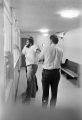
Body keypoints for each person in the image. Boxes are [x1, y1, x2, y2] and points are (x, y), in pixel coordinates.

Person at [38, 34, 63, 108]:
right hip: (56, 73)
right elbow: (60, 61)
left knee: (45, 93)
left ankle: (44, 111)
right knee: (54, 93)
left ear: (51, 40)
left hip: (47, 73)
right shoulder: (60, 50)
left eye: (49, 40)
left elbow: (40, 58)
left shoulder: (46, 48)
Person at [16, 36, 40, 103]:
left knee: (30, 81)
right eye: (26, 42)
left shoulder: (33, 46)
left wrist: (36, 50)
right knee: (32, 81)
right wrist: (18, 48)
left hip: (32, 65)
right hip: (29, 65)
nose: (26, 43)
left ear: (30, 42)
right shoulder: (26, 47)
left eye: (27, 42)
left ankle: (28, 98)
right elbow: (21, 54)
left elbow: (39, 51)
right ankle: (32, 94)